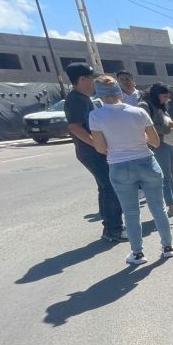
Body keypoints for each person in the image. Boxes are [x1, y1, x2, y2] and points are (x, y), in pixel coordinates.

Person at [88, 75, 173, 264]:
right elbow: (155, 142)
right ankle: (167, 247)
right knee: (158, 208)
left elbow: (101, 148)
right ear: (119, 91)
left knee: (131, 212)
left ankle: (138, 253)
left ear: (99, 95)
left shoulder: (96, 116)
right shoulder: (138, 112)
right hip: (146, 161)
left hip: (119, 165)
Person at [64, 62, 125, 243]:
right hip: (92, 153)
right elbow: (75, 127)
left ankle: (111, 226)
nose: (95, 84)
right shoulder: (76, 99)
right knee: (111, 187)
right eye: (93, 79)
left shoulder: (82, 98)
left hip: (94, 151)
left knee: (105, 187)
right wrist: (98, 146)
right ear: (82, 79)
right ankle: (113, 230)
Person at [139, 83, 173, 216]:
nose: (166, 99)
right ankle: (172, 207)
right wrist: (168, 127)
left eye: (168, 97)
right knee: (165, 177)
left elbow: (163, 121)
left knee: (169, 175)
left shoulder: (160, 105)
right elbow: (146, 128)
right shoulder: (145, 105)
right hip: (159, 144)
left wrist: (172, 124)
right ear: (155, 94)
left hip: (167, 142)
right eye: (164, 96)